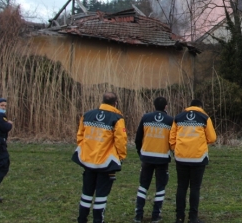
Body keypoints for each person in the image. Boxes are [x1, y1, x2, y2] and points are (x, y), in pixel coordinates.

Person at [72, 92, 127, 223]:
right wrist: (121, 156)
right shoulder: (117, 118)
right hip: (106, 163)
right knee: (101, 195)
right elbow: (121, 140)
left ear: (102, 101)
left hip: (88, 160)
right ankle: (98, 219)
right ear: (116, 103)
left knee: (86, 193)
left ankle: (82, 219)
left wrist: (85, 150)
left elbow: (80, 136)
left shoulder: (87, 115)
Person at [170, 99, 216, 223]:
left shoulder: (178, 117)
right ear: (200, 106)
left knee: (181, 187)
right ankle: (193, 217)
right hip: (198, 157)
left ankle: (179, 217)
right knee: (195, 187)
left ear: (189, 106)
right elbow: (212, 138)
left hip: (181, 157)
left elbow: (171, 138)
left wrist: (176, 149)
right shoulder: (204, 117)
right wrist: (201, 143)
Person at [133, 96, 174, 223]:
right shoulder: (170, 120)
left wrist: (141, 153)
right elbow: (172, 140)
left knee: (143, 186)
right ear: (166, 107)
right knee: (160, 187)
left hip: (147, 157)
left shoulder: (146, 118)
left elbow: (138, 138)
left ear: (154, 105)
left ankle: (138, 214)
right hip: (162, 158)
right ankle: (156, 215)